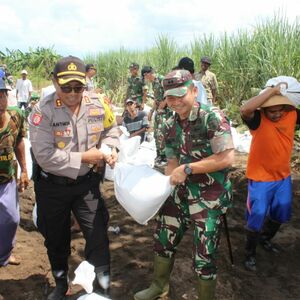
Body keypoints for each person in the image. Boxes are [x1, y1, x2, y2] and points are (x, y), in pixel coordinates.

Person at [134, 70, 234, 300]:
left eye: (181, 94)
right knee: (162, 239)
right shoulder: (169, 123)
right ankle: (159, 286)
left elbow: (227, 158)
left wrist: (188, 168)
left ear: (194, 90)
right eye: (170, 97)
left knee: (204, 255)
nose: (176, 101)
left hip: (209, 196)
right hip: (179, 194)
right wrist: (161, 188)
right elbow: (172, 163)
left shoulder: (212, 117)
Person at [28, 56, 120, 300]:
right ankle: (60, 283)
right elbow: (45, 156)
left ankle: (102, 287)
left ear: (85, 85)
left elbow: (112, 130)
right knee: (56, 239)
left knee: (98, 235)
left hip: (86, 185)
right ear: (55, 82)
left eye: (78, 87)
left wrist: (111, 148)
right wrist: (85, 157)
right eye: (66, 87)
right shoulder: (42, 111)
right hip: (52, 186)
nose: (72, 93)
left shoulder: (98, 104)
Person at [240, 82, 300, 272]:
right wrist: (272, 91)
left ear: (286, 107)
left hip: (283, 177)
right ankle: (249, 254)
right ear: (264, 109)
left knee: (281, 213)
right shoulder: (257, 119)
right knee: (256, 216)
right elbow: (245, 109)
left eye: (279, 110)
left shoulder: (292, 115)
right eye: (271, 110)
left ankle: (265, 239)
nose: (276, 114)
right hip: (260, 179)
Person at [0, 78, 29, 267]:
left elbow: (18, 140)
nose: (0, 100)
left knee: (11, 218)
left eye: (2, 95)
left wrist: (24, 170)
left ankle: (4, 253)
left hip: (6, 179)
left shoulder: (16, 116)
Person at [142, 66, 173, 166]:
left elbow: (170, 93)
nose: (145, 78)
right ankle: (159, 154)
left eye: (145, 76)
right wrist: (151, 111)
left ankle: (164, 156)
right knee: (156, 132)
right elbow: (156, 99)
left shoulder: (161, 79)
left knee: (162, 132)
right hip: (158, 111)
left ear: (148, 74)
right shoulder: (153, 83)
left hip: (165, 111)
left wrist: (163, 104)